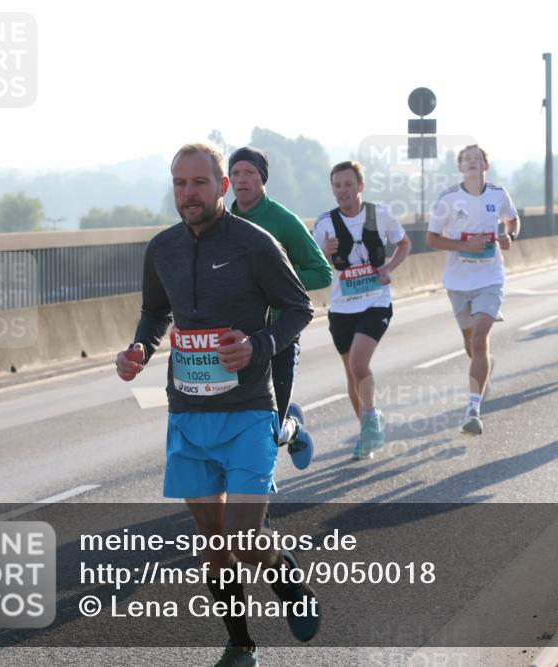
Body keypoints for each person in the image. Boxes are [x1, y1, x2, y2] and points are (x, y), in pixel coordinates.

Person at [116, 143, 319, 667]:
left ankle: (291, 583)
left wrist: (259, 346)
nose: (189, 194)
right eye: (180, 184)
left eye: (199, 183)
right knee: (215, 546)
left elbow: (299, 308)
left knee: (248, 540)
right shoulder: (162, 248)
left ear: (222, 186)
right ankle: (240, 643)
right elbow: (154, 313)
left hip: (249, 406)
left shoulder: (256, 243)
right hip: (187, 414)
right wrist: (141, 347)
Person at [228, 146, 333, 470]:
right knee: (238, 429)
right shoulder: (223, 222)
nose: (241, 180)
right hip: (236, 338)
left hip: (279, 335)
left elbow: (321, 272)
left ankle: (292, 428)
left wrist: (272, 283)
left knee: (268, 432)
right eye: (234, 173)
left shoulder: (282, 221)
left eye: (248, 173)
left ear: (262, 178)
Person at [313, 161, 410, 460]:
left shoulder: (379, 213)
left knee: (358, 364)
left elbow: (404, 243)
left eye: (348, 184)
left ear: (360, 186)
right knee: (351, 374)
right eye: (337, 185)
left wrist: (389, 268)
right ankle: (367, 430)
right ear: (332, 189)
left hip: (375, 301)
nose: (343, 190)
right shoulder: (325, 223)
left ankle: (371, 418)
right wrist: (324, 254)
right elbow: (315, 266)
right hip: (342, 307)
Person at [427, 144, 520, 435]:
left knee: (479, 339)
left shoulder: (498, 193)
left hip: (490, 279)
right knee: (471, 344)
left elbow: (512, 220)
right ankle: (483, 368)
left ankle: (473, 410)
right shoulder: (448, 199)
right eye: (467, 159)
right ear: (459, 167)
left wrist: (510, 236)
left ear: (485, 166)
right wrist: (463, 245)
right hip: (458, 281)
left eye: (477, 159)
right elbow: (432, 239)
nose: (472, 163)